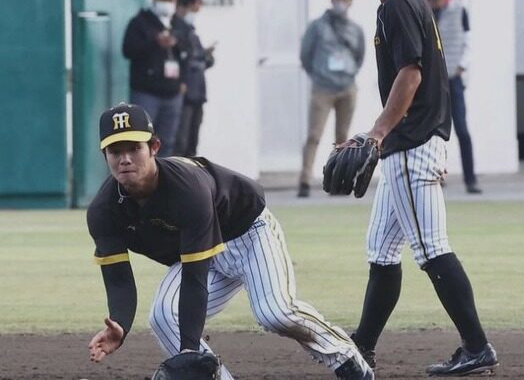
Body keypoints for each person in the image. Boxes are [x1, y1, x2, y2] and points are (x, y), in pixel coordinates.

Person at [86, 103, 374, 380]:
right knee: (163, 317)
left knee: (275, 313)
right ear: (105, 155)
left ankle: (345, 356)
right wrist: (120, 324)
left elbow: (194, 280)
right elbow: (120, 281)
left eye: (134, 148)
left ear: (154, 148)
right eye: (115, 150)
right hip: (200, 253)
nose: (125, 159)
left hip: (248, 233)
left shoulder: (186, 189)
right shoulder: (103, 211)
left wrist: (187, 350)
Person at [350, 0, 498, 376]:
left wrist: (377, 133)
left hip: (411, 144)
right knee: (380, 250)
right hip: (409, 142)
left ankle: (476, 346)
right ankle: (361, 347)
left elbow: (411, 74)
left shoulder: (399, 3)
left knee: (431, 248)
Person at [298, 0, 366, 198]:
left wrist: (350, 73)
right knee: (314, 135)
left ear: (351, 1)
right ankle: (305, 180)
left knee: (343, 137)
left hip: (347, 87)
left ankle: (339, 181)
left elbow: (359, 56)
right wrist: (318, 75)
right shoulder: (318, 26)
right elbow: (305, 55)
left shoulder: (355, 29)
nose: (341, 2)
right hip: (323, 89)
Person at [424, 0, 482, 194]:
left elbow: (468, 40)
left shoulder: (458, 9)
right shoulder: (424, 9)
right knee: (431, 131)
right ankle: (434, 176)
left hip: (453, 78)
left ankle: (471, 179)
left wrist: (462, 66)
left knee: (462, 129)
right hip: (431, 80)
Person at [123, 0, 183, 157]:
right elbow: (128, 50)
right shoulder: (140, 22)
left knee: (167, 141)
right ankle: (141, 181)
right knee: (142, 138)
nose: (168, 3)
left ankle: (164, 181)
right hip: (146, 92)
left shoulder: (177, 23)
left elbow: (186, 51)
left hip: (172, 92)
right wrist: (155, 42)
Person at [172, 0, 215, 157]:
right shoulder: (175, 29)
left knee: (192, 142)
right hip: (184, 94)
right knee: (180, 141)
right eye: (194, 9)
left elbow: (201, 59)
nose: (194, 14)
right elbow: (185, 59)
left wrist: (206, 56)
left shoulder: (191, 32)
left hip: (197, 93)